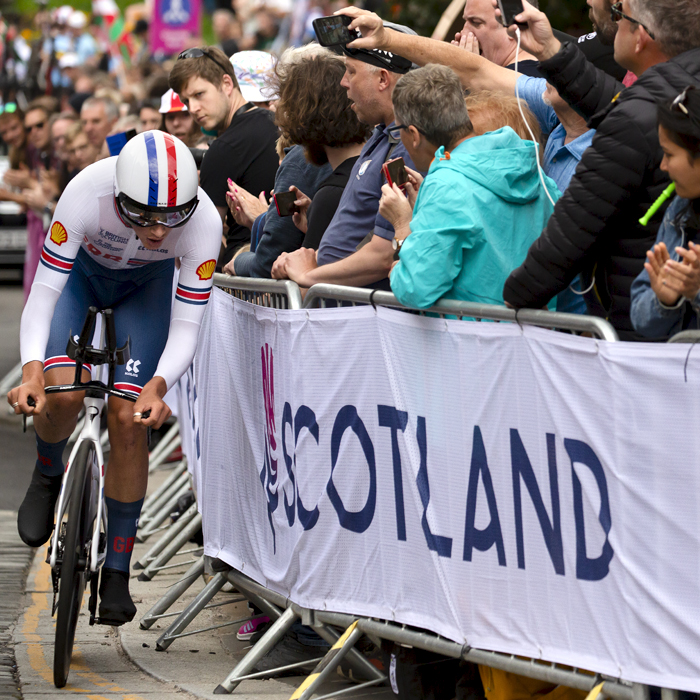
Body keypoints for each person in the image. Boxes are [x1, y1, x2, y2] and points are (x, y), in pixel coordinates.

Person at [7, 131, 222, 625]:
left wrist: (160, 385)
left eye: (171, 217)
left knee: (129, 418)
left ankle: (118, 571)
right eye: (143, 215)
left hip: (146, 291)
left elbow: (188, 324)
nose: (156, 230)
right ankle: (46, 471)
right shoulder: (86, 191)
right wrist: (33, 370)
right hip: (79, 281)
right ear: (119, 197)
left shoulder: (204, 221)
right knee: (64, 391)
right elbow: (44, 294)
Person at [497, 0, 700, 337]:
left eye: (619, 15)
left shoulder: (637, 117)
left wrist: (513, 299)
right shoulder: (678, 91)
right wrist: (552, 51)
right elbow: (621, 103)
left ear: (640, 38)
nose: (605, 12)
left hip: (638, 339)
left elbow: (571, 231)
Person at [380, 65, 558, 309]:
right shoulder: (530, 170)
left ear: (414, 134)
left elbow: (415, 289)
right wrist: (426, 205)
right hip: (539, 335)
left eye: (398, 130)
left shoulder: (445, 185)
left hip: (473, 338)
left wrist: (402, 227)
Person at [270, 21, 420, 289]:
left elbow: (384, 253)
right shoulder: (381, 137)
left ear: (383, 79)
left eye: (351, 71)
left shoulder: (406, 146)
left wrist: (308, 277)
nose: (343, 82)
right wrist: (316, 214)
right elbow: (361, 229)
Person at [230, 45, 370, 277]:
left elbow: (277, 265)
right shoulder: (372, 162)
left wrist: (237, 261)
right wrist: (311, 219)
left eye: (284, 99)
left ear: (303, 111)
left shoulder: (319, 183)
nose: (277, 108)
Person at [168, 46, 279, 265]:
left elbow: (200, 247)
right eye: (186, 101)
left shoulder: (223, 149)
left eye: (199, 94)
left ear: (227, 84)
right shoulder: (277, 122)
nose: (193, 108)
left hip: (244, 276)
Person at [631, 86, 700, 338]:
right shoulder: (678, 209)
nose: (663, 165)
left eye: (670, 154)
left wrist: (696, 292)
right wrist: (664, 302)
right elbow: (639, 315)